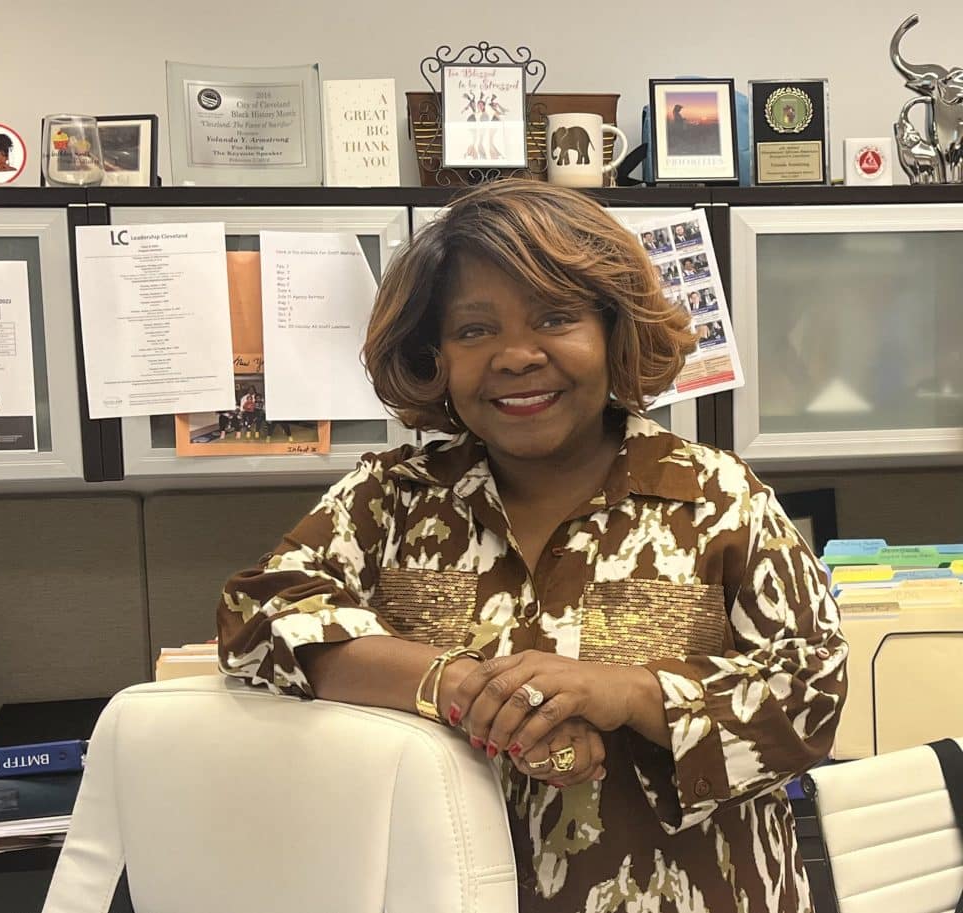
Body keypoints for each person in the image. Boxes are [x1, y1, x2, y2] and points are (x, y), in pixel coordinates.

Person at [217, 180, 846, 913]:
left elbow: (813, 689)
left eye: (555, 317)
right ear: (434, 355)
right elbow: (257, 615)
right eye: (473, 330)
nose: (515, 356)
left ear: (615, 330)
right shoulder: (391, 499)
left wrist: (629, 693)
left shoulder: (716, 499)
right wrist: (456, 687)